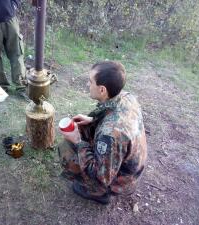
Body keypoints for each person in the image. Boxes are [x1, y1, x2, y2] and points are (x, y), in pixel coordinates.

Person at [58, 61, 147, 204]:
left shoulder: (109, 135)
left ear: (102, 90)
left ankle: (99, 193)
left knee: (67, 149)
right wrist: (93, 119)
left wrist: (78, 142)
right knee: (84, 130)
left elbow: (102, 177)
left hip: (121, 181)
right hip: (130, 167)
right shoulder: (126, 97)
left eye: (90, 81)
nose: (88, 85)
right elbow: (113, 113)